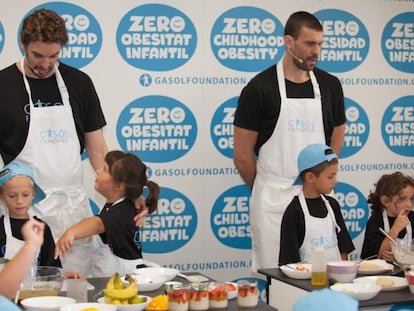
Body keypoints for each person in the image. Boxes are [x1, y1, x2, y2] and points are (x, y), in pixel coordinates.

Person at [0, 8, 148, 274]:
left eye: (54, 56)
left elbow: (97, 149)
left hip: (71, 210)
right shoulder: (3, 85)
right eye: (37, 56)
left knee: (77, 285)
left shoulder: (79, 83)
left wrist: (128, 194)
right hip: (23, 209)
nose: (45, 64)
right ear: (23, 45)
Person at [233, 11, 346, 271]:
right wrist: (266, 186)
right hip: (275, 202)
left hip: (318, 200)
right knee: (280, 278)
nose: (315, 51)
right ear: (288, 42)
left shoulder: (330, 86)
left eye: (320, 44)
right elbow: (242, 155)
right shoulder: (259, 89)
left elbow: (338, 132)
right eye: (309, 43)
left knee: (324, 277)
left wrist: (323, 175)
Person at [55, 150, 160, 276]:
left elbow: (97, 224)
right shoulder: (117, 206)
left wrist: (71, 233)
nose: (98, 171)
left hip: (126, 278)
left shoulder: (121, 211)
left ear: (119, 186)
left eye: (105, 170)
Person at [279, 143, 354, 265]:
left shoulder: (332, 205)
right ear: (310, 177)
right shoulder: (294, 211)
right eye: (330, 177)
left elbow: (343, 249)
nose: (336, 180)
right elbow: (289, 261)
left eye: (335, 175)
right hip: (305, 282)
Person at [0, 162, 61, 267]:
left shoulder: (42, 228)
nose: (19, 201)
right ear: (1, 197)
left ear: (33, 194)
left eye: (25, 195)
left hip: (36, 283)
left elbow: (51, 269)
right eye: (12, 195)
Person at [361, 172, 414, 262]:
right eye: (402, 199)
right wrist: (395, 229)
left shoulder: (412, 218)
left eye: (412, 199)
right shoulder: (376, 221)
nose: (409, 204)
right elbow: (379, 256)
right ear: (385, 201)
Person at [0, 218, 45, 299]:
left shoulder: (41, 228)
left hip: (35, 294)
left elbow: (51, 269)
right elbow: (3, 291)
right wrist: (31, 245)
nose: (19, 204)